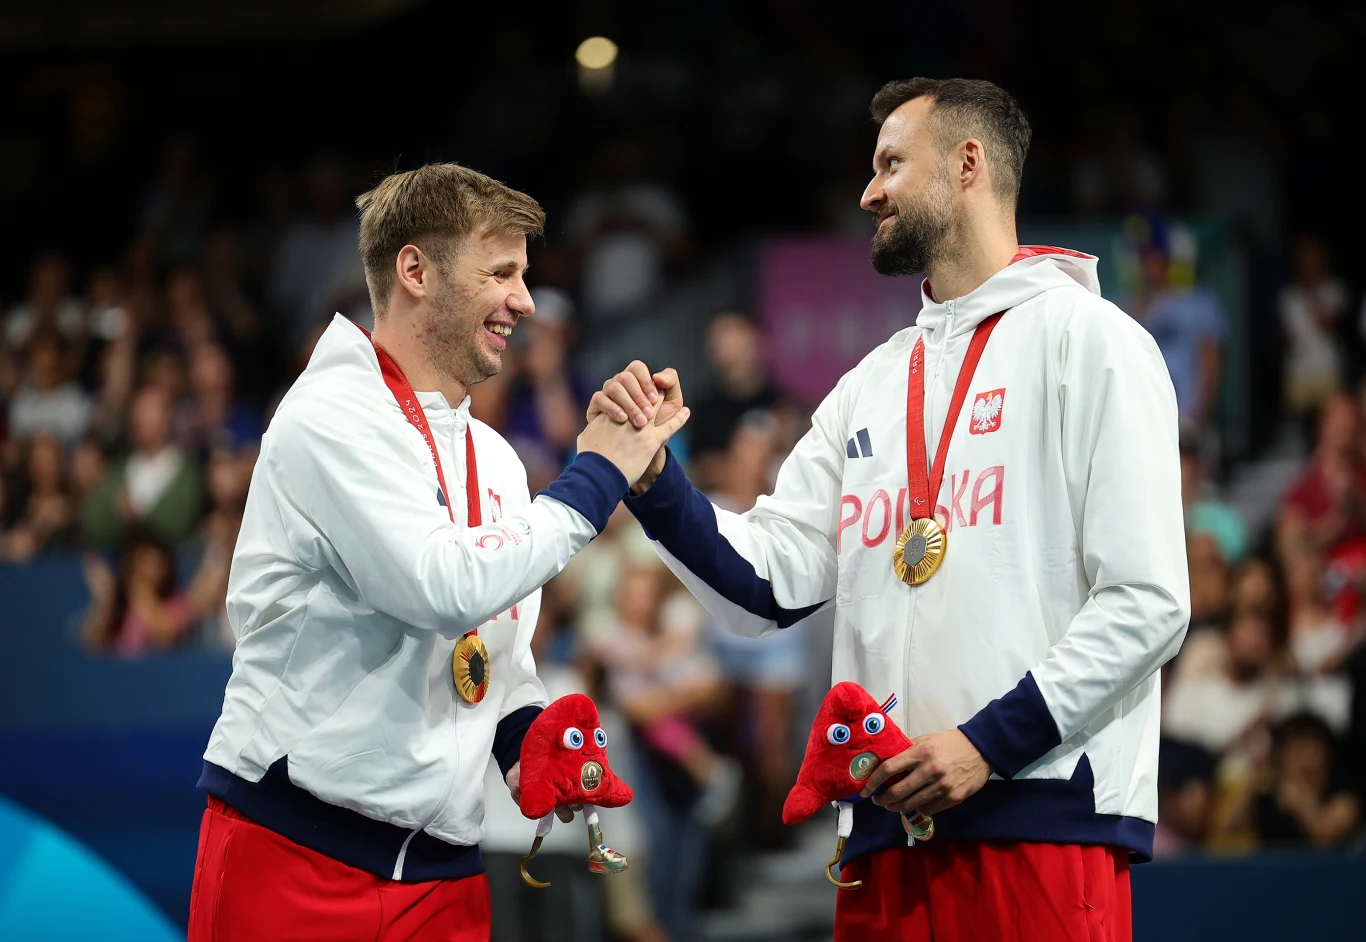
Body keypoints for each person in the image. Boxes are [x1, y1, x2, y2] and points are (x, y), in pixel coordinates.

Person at [591, 78, 1189, 941]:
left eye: (891, 164)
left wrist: (987, 744)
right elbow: (767, 584)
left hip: (1041, 820)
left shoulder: (1093, 343)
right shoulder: (869, 385)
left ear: (968, 165)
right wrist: (653, 480)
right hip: (882, 839)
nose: (868, 191)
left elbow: (1150, 602)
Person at [187, 163, 687, 942]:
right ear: (414, 269)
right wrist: (597, 475)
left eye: (523, 274)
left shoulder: (491, 457)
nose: (523, 300)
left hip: (446, 877)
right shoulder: (328, 417)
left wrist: (524, 735)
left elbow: (494, 642)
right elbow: (442, 586)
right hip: (297, 858)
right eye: (501, 273)